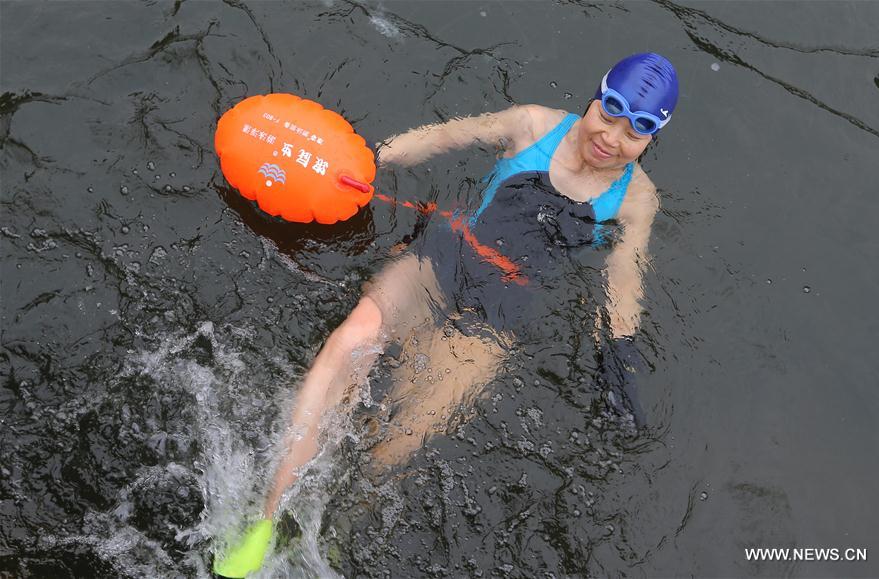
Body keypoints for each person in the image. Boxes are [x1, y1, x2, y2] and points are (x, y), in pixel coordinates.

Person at [213, 52, 679, 578]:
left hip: (503, 310)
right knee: (349, 344)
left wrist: (618, 354)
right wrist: (364, 164)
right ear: (594, 100)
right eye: (608, 115)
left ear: (650, 140)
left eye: (633, 133)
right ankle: (268, 517)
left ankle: (336, 527)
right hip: (443, 259)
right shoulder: (531, 125)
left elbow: (625, 279)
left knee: (407, 435)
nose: (612, 139)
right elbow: (439, 138)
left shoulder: (636, 197)